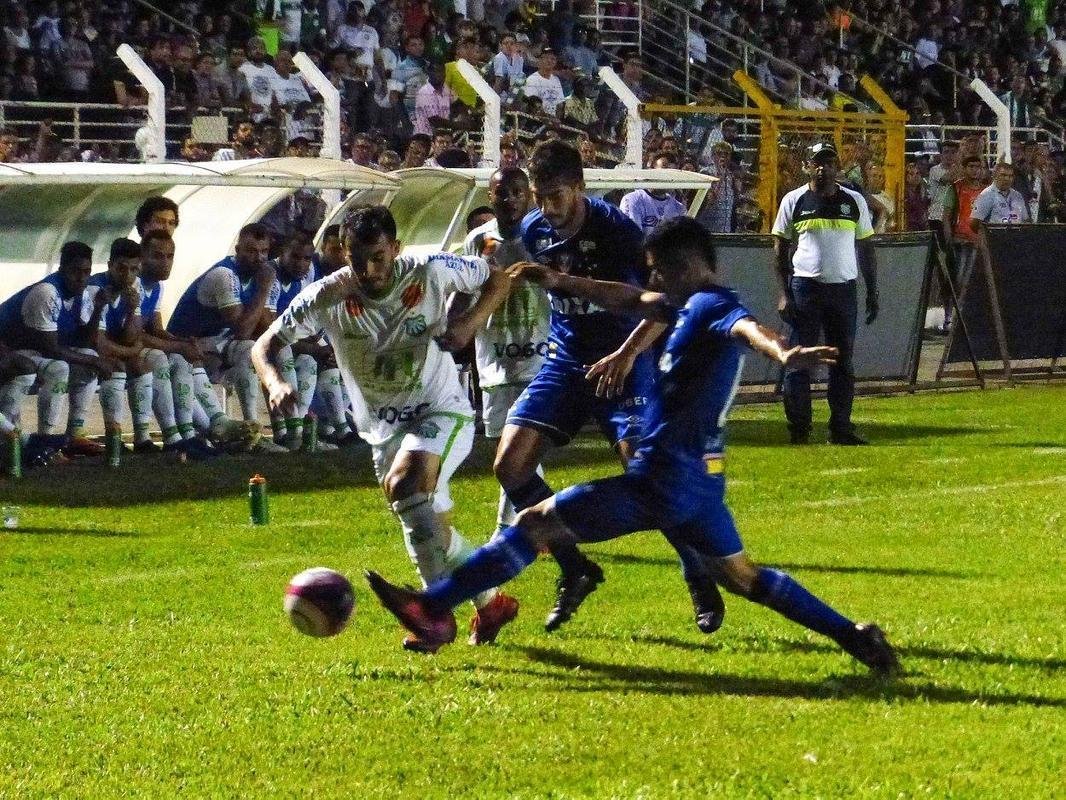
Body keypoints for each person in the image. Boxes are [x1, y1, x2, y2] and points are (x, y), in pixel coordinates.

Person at [365, 216, 900, 676]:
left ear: (686, 265)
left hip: (662, 481)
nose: (653, 280)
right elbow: (625, 297)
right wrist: (560, 279)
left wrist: (782, 353)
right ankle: (854, 636)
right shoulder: (685, 305)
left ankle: (433, 607)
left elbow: (748, 328)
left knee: (536, 524)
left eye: (659, 270)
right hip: (702, 483)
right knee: (744, 577)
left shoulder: (714, 305)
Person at [252, 206, 519, 651]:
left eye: (378, 256)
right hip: (382, 429)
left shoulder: (431, 269)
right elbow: (264, 346)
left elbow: (499, 276)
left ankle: (435, 618)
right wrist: (275, 381)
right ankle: (491, 603)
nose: (369, 270)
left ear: (396, 248)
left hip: (442, 410)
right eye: (357, 258)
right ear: (343, 253)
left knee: (406, 486)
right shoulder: (328, 295)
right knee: (430, 531)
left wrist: (470, 324)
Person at [494, 140, 725, 634]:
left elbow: (659, 304)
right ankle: (575, 568)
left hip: (624, 358)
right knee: (510, 464)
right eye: (539, 195)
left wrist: (627, 355)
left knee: (648, 475)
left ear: (579, 187)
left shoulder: (617, 232)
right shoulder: (535, 230)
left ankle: (698, 575)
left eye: (556, 194)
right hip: (567, 360)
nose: (546, 206)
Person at [462, 168, 550, 536]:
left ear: (529, 195)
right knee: (507, 449)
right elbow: (465, 291)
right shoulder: (478, 241)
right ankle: (546, 522)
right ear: (490, 195)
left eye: (517, 192)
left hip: (540, 356)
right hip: (494, 359)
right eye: (503, 193)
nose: (510, 199)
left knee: (518, 452)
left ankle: (508, 532)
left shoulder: (545, 235)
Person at [773, 142, 878, 446]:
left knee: (842, 361)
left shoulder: (854, 201)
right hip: (806, 289)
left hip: (844, 290)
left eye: (829, 162)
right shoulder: (794, 200)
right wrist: (783, 292)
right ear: (808, 166)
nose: (823, 168)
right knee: (799, 360)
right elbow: (779, 248)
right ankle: (799, 429)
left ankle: (841, 428)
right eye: (817, 163)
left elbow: (867, 249)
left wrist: (873, 290)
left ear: (837, 167)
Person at [134, 199, 258, 454]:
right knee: (166, 359)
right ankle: (182, 433)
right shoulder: (132, 272)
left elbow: (154, 327)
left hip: (152, 344)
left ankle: (213, 427)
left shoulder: (156, 282)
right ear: (143, 226)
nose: (167, 228)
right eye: (159, 221)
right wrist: (176, 344)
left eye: (171, 223)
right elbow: (134, 334)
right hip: (119, 348)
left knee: (183, 356)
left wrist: (180, 343)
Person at [167, 223, 288, 452]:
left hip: (218, 343)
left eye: (264, 252)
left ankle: (253, 430)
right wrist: (263, 289)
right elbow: (242, 329)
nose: (259, 258)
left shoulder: (264, 274)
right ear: (237, 249)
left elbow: (265, 328)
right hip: (186, 343)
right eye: (252, 251)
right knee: (246, 344)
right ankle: (218, 428)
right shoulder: (225, 275)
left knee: (252, 350)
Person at [0, 241, 114, 455]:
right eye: (75, 271)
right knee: (59, 368)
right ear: (62, 270)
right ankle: (45, 440)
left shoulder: (85, 294)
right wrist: (95, 360)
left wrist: (98, 308)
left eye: (86, 272)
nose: (81, 278)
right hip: (11, 349)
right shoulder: (47, 292)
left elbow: (85, 342)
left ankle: (74, 435)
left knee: (88, 357)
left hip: (32, 352)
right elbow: (50, 348)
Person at [268, 232, 339, 451]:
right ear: (282, 254)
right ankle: (277, 431)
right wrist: (311, 345)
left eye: (307, 259)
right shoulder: (270, 275)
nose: (302, 264)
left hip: (286, 344)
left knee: (312, 360)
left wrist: (318, 346)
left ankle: (300, 430)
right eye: (295, 257)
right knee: (287, 352)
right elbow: (268, 334)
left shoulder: (305, 277)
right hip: (253, 348)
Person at [85, 238, 152, 452]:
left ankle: (142, 438)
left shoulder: (135, 288)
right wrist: (131, 350)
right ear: (110, 266)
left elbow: (131, 337)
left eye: (134, 269)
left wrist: (132, 310)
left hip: (111, 347)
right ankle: (113, 436)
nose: (128, 275)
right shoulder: (96, 290)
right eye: (122, 269)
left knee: (140, 365)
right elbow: (98, 343)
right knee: (117, 365)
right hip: (81, 348)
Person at [940, 156, 985, 332]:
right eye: (971, 166)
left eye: (978, 167)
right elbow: (946, 216)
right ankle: (949, 318)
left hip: (977, 243)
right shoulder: (956, 188)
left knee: (970, 282)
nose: (975, 170)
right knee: (954, 280)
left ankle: (964, 319)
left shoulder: (985, 190)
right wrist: (949, 239)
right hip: (959, 242)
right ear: (964, 168)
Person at [619, 152, 687, 235]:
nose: (668, 177)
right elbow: (631, 237)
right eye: (664, 170)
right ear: (650, 171)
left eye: (672, 173)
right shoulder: (632, 200)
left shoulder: (678, 208)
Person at [970, 161, 1031, 234]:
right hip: (995, 241)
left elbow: (1025, 220)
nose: (1007, 179)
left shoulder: (1017, 195)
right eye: (1003, 175)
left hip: (1016, 241)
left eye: (1010, 176)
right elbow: (974, 224)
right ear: (994, 176)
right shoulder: (986, 195)